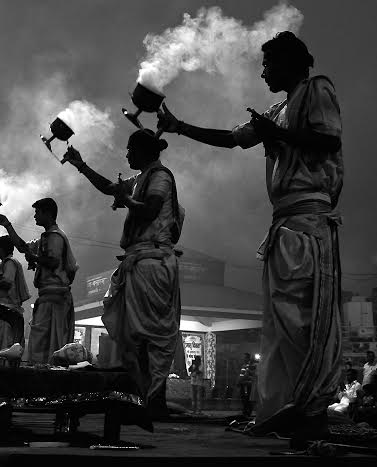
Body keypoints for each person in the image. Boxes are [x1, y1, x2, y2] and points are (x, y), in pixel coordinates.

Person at [157, 31, 343, 439]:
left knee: (302, 321)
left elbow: (328, 139)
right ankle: (284, 410)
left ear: (289, 62)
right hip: (285, 224)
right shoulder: (276, 110)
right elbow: (231, 139)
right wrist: (179, 127)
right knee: (279, 325)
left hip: (309, 224)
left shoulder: (317, 89)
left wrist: (278, 136)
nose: (263, 73)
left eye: (268, 64)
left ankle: (311, 412)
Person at [62, 129, 185, 411]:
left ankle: (154, 400)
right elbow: (110, 188)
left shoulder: (160, 177)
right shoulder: (141, 178)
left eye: (130, 149)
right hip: (138, 262)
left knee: (152, 336)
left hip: (152, 262)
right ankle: (143, 397)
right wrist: (81, 166)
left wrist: (126, 200)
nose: (127, 154)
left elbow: (150, 210)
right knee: (135, 336)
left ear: (143, 151)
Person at [0, 198, 78, 364]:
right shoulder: (45, 238)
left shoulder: (55, 236)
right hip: (48, 297)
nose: (34, 216)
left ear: (48, 214)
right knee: (43, 341)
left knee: (44, 343)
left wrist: (34, 258)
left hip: (55, 298)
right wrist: (8, 225)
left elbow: (53, 262)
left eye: (37, 213)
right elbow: (22, 247)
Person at [238, 353, 256, 418]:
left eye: (245, 357)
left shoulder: (250, 366)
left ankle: (247, 413)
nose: (243, 359)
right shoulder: (244, 365)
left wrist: (240, 381)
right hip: (244, 384)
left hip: (247, 385)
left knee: (247, 399)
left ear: (248, 358)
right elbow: (242, 375)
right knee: (244, 398)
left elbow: (246, 375)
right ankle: (246, 412)